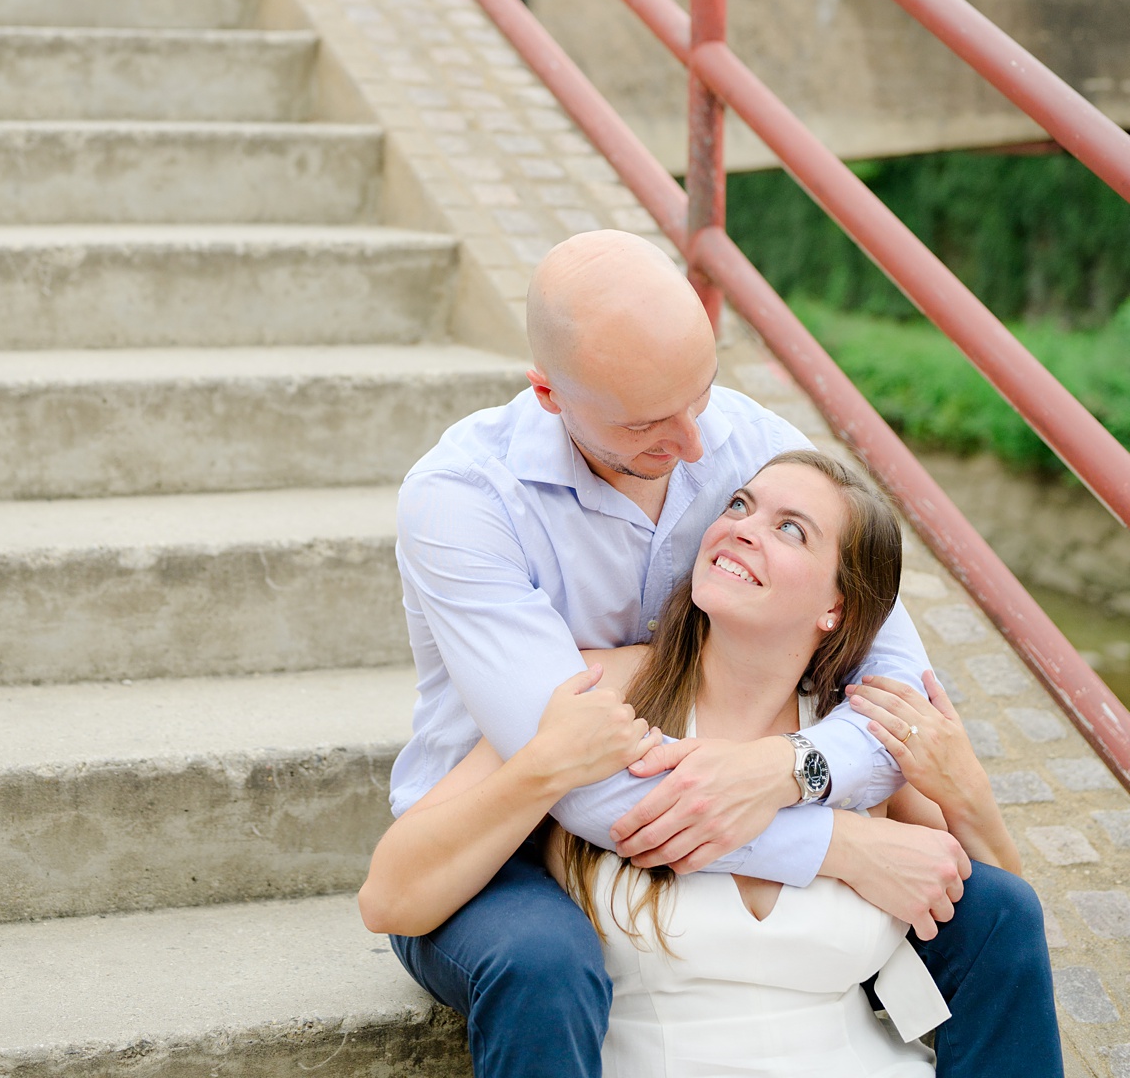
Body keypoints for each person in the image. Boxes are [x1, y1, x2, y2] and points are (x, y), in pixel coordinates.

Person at [382, 229, 1058, 1077]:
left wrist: (789, 769)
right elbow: (574, 773)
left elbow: (892, 684)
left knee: (992, 912)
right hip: (496, 834)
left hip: (729, 772)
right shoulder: (462, 500)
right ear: (550, 394)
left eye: (698, 395)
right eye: (649, 425)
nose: (697, 447)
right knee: (543, 964)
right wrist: (833, 846)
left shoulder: (747, 443)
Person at [362, 447, 1033, 1074]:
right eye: (740, 506)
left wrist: (968, 794)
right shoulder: (606, 693)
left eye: (792, 530)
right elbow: (390, 895)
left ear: (838, 606)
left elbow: (993, 938)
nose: (743, 529)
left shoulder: (862, 744)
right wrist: (544, 766)